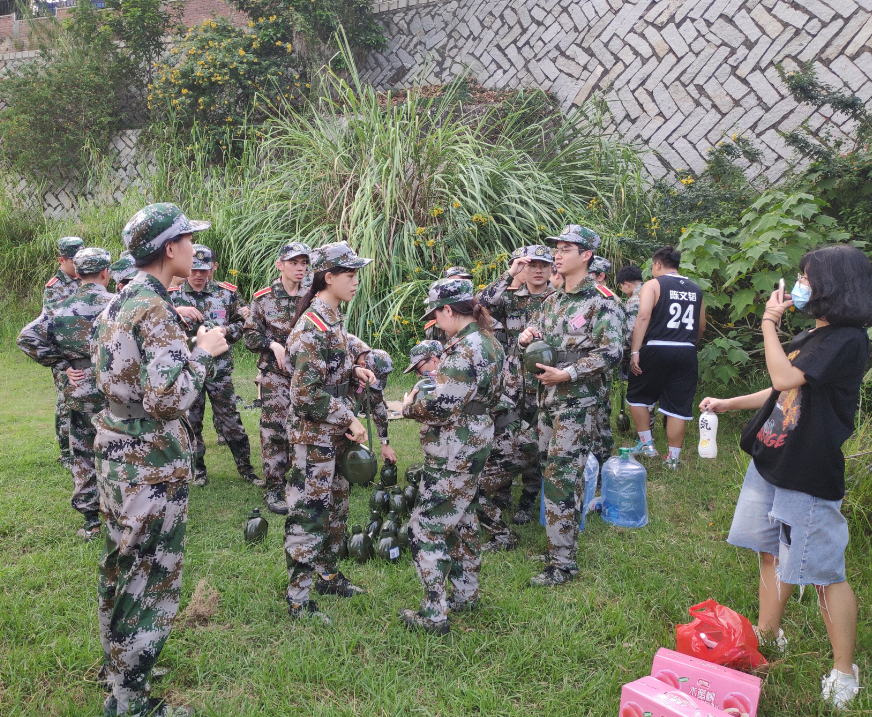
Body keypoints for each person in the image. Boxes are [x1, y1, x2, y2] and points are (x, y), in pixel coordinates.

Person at [700, 244, 872, 710]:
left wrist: (768, 323)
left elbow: (784, 377)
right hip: (772, 458)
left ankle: (844, 670)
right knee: (769, 552)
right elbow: (781, 389)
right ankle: (768, 633)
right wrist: (730, 403)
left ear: (833, 285)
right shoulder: (816, 334)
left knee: (824, 572)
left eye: (806, 278)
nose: (799, 286)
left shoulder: (848, 340)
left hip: (808, 471)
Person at [92, 203, 228, 717]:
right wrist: (205, 352)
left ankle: (120, 669)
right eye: (188, 240)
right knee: (148, 575)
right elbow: (168, 398)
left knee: (120, 564)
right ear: (170, 248)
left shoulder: (120, 300)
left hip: (116, 447)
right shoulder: (154, 309)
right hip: (148, 459)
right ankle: (131, 702)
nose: (194, 249)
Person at [518, 225, 624, 587]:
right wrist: (527, 335)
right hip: (547, 399)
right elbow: (536, 334)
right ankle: (558, 547)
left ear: (586, 255)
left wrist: (568, 374)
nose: (557, 255)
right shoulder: (553, 300)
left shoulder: (602, 301)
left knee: (562, 477)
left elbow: (611, 353)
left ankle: (562, 565)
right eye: (556, 249)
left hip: (578, 402)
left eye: (566, 249)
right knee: (552, 472)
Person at [401, 277, 503, 634]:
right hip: (476, 438)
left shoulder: (463, 349)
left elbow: (441, 406)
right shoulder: (490, 341)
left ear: (448, 310)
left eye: (436, 315)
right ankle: (466, 594)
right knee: (463, 518)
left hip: (453, 447)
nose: (436, 322)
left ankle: (434, 614)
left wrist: (409, 405)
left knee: (425, 527)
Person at [283, 242, 376, 625]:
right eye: (349, 275)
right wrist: (349, 418)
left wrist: (355, 370)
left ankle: (327, 575)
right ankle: (298, 598)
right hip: (314, 436)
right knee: (310, 513)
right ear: (328, 278)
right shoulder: (311, 328)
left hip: (332, 432)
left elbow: (333, 363)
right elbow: (304, 395)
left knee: (336, 508)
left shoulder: (332, 319)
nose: (355, 282)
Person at [17, 248, 115, 541]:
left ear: (79, 273)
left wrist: (62, 364)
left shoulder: (60, 308)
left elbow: (26, 338)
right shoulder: (119, 305)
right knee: (120, 448)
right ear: (106, 273)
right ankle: (123, 514)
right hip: (115, 387)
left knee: (83, 453)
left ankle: (91, 522)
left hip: (80, 388)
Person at [169, 244, 260, 488]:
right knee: (192, 422)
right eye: (194, 269)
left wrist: (225, 330)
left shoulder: (226, 294)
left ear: (212, 268)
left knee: (230, 421)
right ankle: (197, 469)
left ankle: (246, 468)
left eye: (204, 270)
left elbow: (243, 322)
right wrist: (177, 313)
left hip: (219, 370)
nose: (199, 275)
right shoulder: (173, 296)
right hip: (189, 370)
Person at [478, 244, 556, 527]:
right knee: (504, 434)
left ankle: (529, 498)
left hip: (543, 380)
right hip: (511, 381)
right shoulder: (510, 297)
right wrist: (509, 274)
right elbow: (480, 306)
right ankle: (501, 492)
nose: (538, 270)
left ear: (552, 268)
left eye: (543, 265)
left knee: (536, 440)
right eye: (531, 265)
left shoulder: (557, 300)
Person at [243, 242, 312, 515]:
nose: (300, 268)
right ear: (280, 265)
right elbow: (250, 336)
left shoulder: (313, 296)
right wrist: (272, 344)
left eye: (303, 263)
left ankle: (301, 481)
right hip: (275, 375)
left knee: (305, 427)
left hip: (306, 374)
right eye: (294, 263)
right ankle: (274, 486)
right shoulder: (264, 298)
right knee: (275, 430)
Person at [626, 246, 706, 468]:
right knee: (678, 406)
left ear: (658, 265)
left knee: (637, 396)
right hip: (687, 350)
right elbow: (701, 326)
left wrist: (635, 351)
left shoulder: (653, 284)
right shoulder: (696, 288)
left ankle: (647, 445)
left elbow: (643, 317)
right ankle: (673, 458)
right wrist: (690, 346)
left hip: (657, 346)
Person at [43, 236, 84, 466]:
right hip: (65, 356)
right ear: (61, 260)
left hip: (84, 354)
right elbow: (53, 325)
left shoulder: (85, 279)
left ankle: (83, 447)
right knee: (66, 403)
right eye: (74, 261)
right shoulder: (55, 288)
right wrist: (63, 363)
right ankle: (66, 454)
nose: (78, 265)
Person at [587, 255, 623, 469]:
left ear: (600, 276)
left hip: (600, 364)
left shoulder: (607, 299)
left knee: (600, 413)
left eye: (590, 274)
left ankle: (602, 461)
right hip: (588, 363)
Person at [347, 335, 398, 465]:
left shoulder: (373, 361)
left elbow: (377, 405)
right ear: (362, 365)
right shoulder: (343, 348)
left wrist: (384, 442)